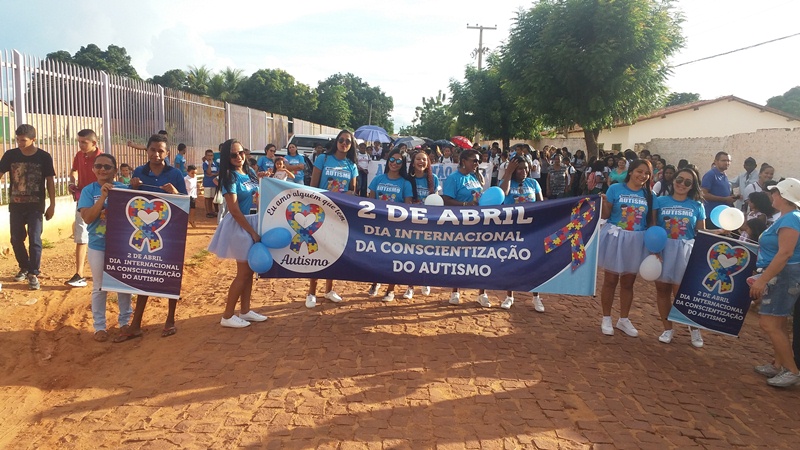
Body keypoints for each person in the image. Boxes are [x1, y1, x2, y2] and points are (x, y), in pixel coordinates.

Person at [116, 134, 187, 342]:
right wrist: (134, 187)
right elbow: (131, 200)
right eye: (153, 150)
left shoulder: (174, 174)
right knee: (145, 273)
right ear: (147, 150)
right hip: (144, 231)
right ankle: (136, 324)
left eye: (161, 151)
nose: (156, 154)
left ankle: (170, 320)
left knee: (170, 274)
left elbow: (186, 203)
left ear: (167, 153)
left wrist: (175, 192)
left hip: (170, 231)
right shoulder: (139, 172)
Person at [207, 139, 268, 328]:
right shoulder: (229, 176)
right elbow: (233, 210)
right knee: (242, 273)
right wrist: (252, 233)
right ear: (227, 157)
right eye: (233, 155)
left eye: (241, 153)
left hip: (251, 222)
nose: (239, 157)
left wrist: (263, 179)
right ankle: (227, 315)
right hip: (238, 226)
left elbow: (255, 193)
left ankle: (245, 310)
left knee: (249, 271)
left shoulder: (248, 172)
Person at [749, 178, 800, 387]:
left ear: (784, 196)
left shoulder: (791, 219)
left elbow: (785, 253)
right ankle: (779, 364)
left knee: (768, 322)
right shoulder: (788, 218)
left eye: (776, 192)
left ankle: (792, 370)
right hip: (782, 275)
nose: (772, 196)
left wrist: (763, 279)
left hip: (783, 275)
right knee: (778, 322)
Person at [77, 153, 132, 342]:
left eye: (107, 167)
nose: (102, 170)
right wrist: (102, 198)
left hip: (121, 246)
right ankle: (99, 327)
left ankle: (125, 322)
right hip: (97, 246)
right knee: (99, 287)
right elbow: (87, 218)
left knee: (123, 285)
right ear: (93, 169)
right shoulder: (87, 191)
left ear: (115, 171)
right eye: (98, 166)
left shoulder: (125, 189)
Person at [598, 159, 653, 337]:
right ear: (631, 172)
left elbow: (651, 222)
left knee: (628, 283)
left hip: (637, 240)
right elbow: (606, 214)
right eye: (639, 171)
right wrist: (604, 203)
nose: (642, 176)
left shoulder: (650, 195)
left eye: (646, 173)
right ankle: (606, 317)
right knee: (611, 280)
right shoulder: (615, 189)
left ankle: (623, 319)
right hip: (616, 237)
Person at [652, 168, 706, 347]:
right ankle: (667, 328)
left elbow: (701, 233)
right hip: (663, 250)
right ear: (673, 180)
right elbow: (653, 227)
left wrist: (721, 232)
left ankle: (694, 329)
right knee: (662, 290)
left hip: (685, 251)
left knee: (683, 293)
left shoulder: (697, 206)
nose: (682, 184)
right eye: (679, 179)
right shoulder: (659, 201)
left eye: (688, 182)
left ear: (693, 186)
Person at [305, 130, 359, 308]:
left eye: (348, 141)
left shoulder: (351, 164)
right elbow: (313, 185)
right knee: (317, 249)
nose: (344, 143)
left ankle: (329, 289)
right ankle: (311, 292)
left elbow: (353, 190)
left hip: (340, 214)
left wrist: (348, 193)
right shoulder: (323, 159)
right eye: (341, 140)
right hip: (321, 211)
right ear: (336, 141)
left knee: (334, 251)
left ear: (351, 145)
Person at [0, 124, 56, 290]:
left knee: (35, 239)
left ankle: (33, 272)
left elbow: (50, 181)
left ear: (33, 139)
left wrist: (52, 204)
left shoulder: (44, 157)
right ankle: (24, 266)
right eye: (17, 140)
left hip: (36, 206)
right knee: (16, 239)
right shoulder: (10, 155)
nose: (20, 143)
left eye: (23, 140)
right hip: (16, 205)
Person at [367, 148, 414, 302]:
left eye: (399, 161)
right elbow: (370, 201)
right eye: (392, 160)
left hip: (396, 227)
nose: (395, 163)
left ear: (403, 164)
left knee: (393, 259)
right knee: (375, 257)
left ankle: (390, 290)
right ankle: (375, 282)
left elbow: (408, 207)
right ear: (388, 161)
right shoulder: (377, 179)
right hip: (378, 225)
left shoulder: (406, 183)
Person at [499, 156, 545, 311]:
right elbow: (503, 194)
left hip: (532, 229)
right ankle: (509, 296)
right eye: (519, 168)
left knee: (534, 263)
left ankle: (536, 297)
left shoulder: (534, 183)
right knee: (512, 263)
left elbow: (541, 204)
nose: (524, 171)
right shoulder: (506, 182)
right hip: (512, 228)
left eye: (526, 168)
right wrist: (508, 173)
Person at [441, 149, 485, 305]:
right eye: (474, 160)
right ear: (463, 161)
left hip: (477, 222)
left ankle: (482, 293)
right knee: (458, 259)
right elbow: (446, 200)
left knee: (480, 258)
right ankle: (455, 292)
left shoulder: (475, 177)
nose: (476, 163)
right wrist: (465, 204)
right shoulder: (454, 178)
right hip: (459, 223)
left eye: (478, 161)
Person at [401, 150, 440, 299]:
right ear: (413, 161)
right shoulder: (407, 179)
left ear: (428, 162)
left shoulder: (433, 179)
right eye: (418, 159)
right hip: (412, 221)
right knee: (411, 253)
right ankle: (410, 286)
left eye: (424, 159)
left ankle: (426, 281)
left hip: (429, 222)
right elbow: (408, 201)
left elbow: (436, 199)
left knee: (427, 253)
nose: (421, 162)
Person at [66, 129, 103, 288]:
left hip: (99, 200)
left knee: (103, 235)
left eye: (84, 142)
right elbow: (73, 171)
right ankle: (79, 274)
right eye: (79, 142)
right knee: (81, 236)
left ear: (94, 143)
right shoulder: (79, 156)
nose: (80, 145)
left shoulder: (102, 159)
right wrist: (71, 182)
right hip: (83, 199)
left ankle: (108, 271)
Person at [701, 152, 736, 230]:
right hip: (711, 216)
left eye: (728, 161)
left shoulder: (724, 175)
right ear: (716, 161)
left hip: (722, 216)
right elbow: (703, 194)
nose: (727, 163)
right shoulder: (711, 175)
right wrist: (724, 199)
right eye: (723, 160)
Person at [202, 149, 219, 218]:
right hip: (207, 183)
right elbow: (208, 172)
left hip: (213, 183)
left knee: (212, 197)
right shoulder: (205, 163)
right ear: (205, 156)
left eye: (211, 155)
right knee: (207, 198)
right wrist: (209, 165)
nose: (210, 157)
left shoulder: (215, 163)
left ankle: (211, 211)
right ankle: (208, 212)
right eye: (208, 155)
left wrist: (212, 174)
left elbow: (218, 172)